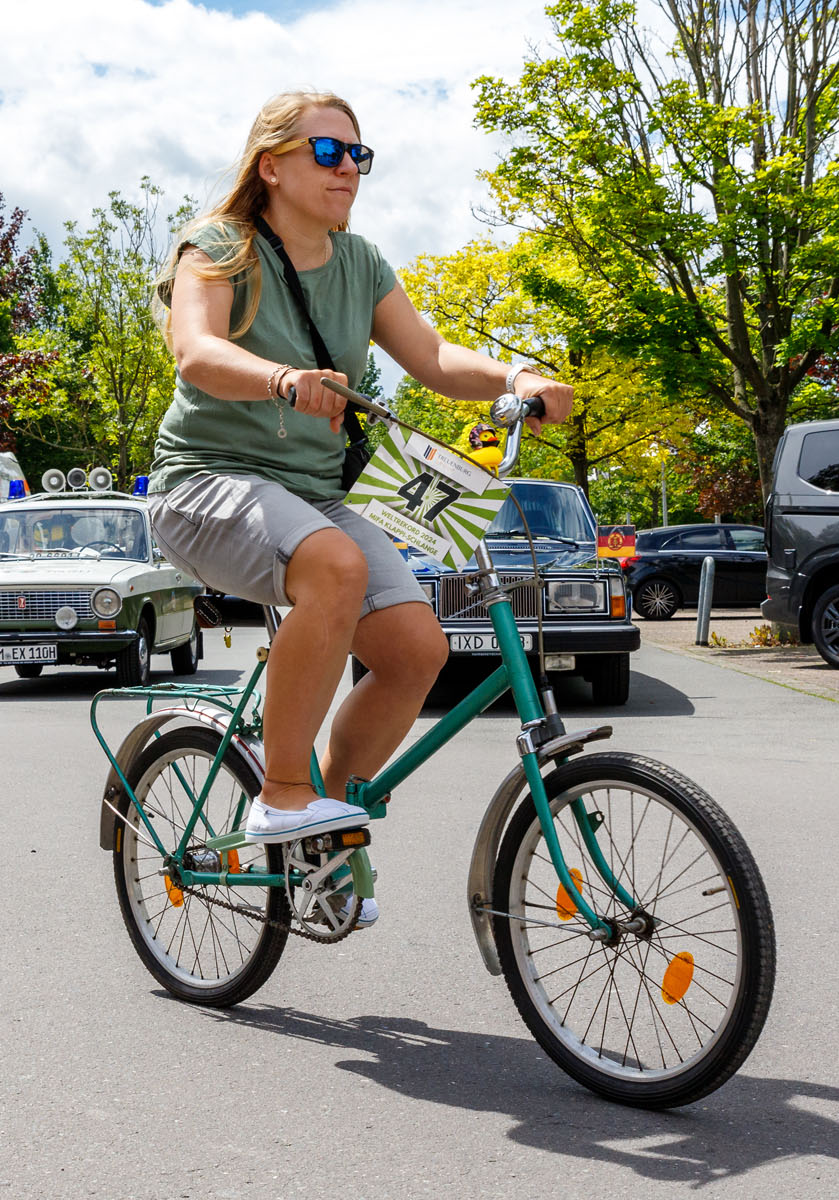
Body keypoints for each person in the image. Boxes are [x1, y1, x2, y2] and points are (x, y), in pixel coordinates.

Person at [147, 91, 572, 925]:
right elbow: (196, 350)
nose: (349, 167)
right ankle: (282, 793)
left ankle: (324, 834)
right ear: (273, 166)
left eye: (359, 154)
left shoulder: (361, 263)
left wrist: (516, 376)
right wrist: (281, 379)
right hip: (205, 484)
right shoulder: (221, 247)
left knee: (417, 650)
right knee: (335, 565)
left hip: (312, 496)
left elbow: (433, 357)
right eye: (328, 152)